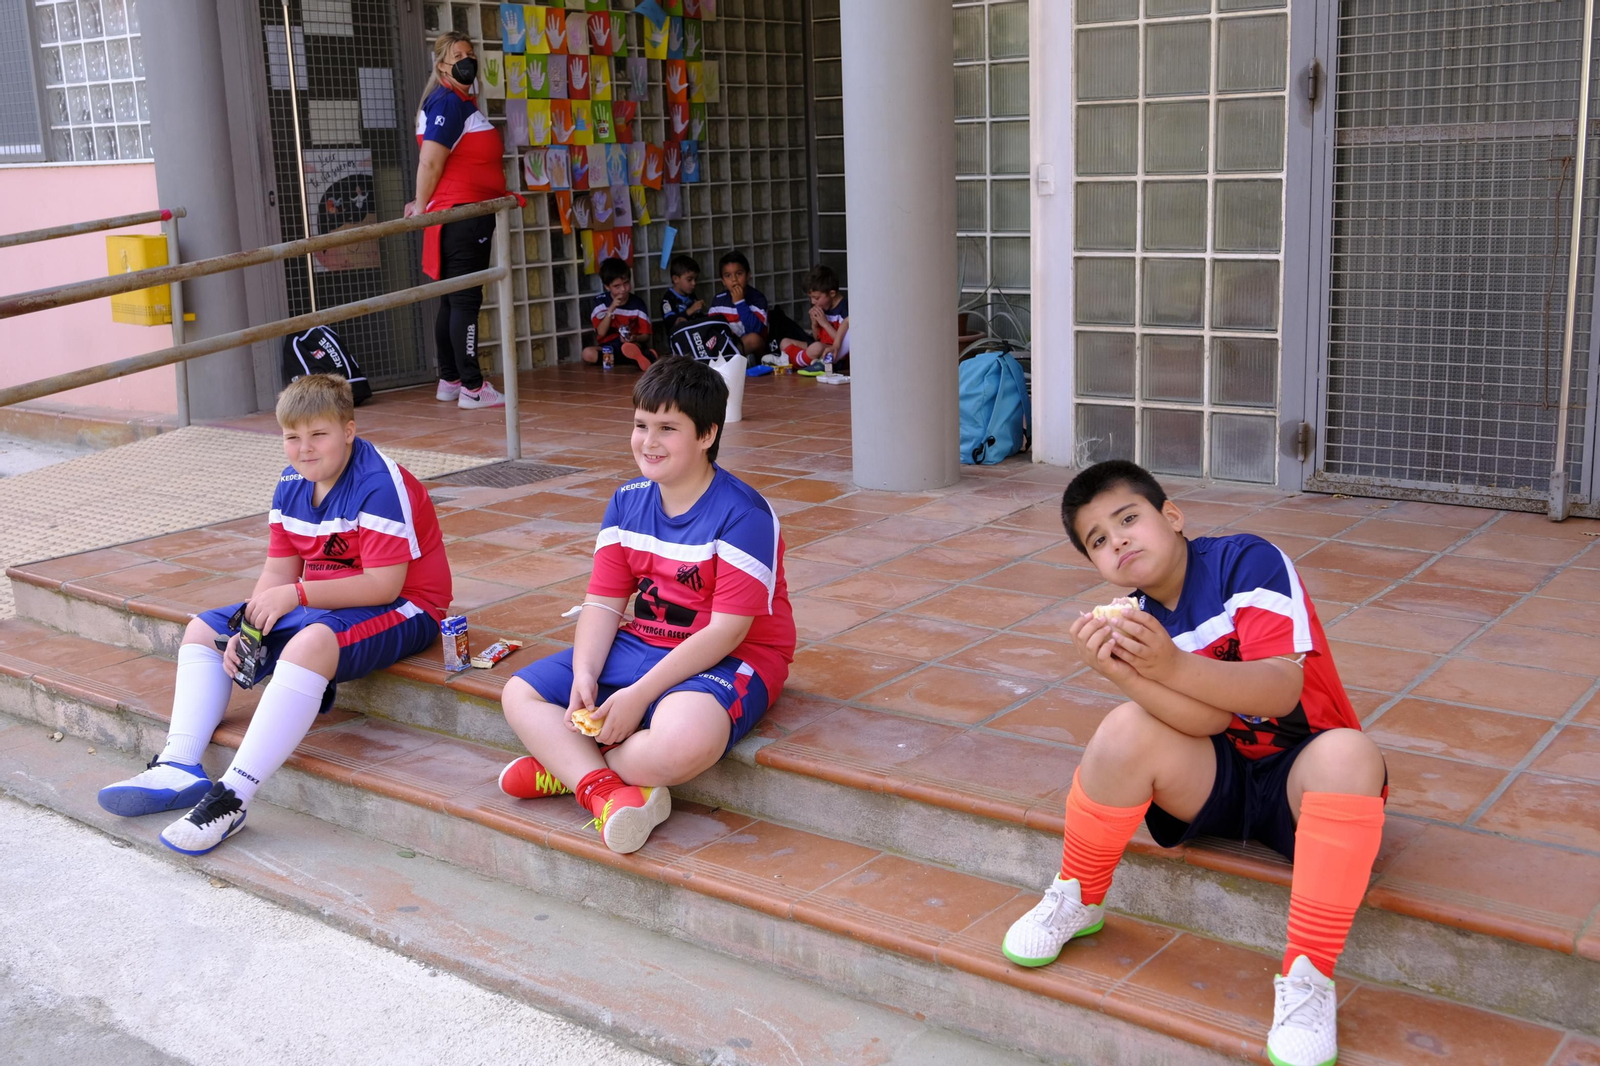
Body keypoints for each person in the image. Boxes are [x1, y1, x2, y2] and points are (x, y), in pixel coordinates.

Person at [1001, 460, 1386, 1066]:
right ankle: (1078, 895)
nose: (1118, 539)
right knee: (1126, 728)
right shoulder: (1134, 617)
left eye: (1128, 518)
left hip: (1303, 782)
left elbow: (1280, 689)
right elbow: (1202, 721)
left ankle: (1308, 978)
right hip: (1221, 780)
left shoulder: (1246, 562)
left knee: (1352, 754)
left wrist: (1172, 667)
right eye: (1098, 540)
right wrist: (1122, 673)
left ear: (1172, 517)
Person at [96, 375, 452, 855]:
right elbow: (276, 571)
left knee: (310, 645)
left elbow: (383, 585)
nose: (304, 450)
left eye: (318, 435)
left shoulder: (379, 484)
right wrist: (249, 628)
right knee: (205, 630)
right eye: (292, 437)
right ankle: (179, 765)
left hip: (407, 606)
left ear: (349, 430)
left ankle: (234, 797)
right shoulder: (290, 482)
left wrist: (297, 596)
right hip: (323, 597)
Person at [497, 359, 795, 854]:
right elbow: (604, 602)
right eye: (640, 424)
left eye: (667, 428)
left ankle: (574, 771)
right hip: (644, 642)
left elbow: (726, 631)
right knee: (519, 693)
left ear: (707, 435)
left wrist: (636, 696)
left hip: (737, 655)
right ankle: (603, 790)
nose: (648, 441)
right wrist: (586, 673)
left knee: (683, 741)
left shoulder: (745, 514)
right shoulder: (627, 500)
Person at [407, 30, 514, 410]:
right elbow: (431, 161)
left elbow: (444, 163)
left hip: (459, 212)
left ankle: (450, 380)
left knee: (453, 303)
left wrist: (424, 201)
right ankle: (472, 386)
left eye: (471, 54)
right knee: (465, 300)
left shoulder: (454, 101)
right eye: (458, 56)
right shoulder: (448, 103)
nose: (468, 61)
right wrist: (421, 205)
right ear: (442, 66)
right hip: (462, 217)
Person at [775, 264, 850, 375]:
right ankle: (808, 362)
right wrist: (814, 325)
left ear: (832, 293)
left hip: (837, 354)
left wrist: (825, 324)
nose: (813, 302)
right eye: (811, 298)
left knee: (816, 347)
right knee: (785, 342)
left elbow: (846, 342)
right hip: (820, 346)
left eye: (816, 298)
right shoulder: (824, 306)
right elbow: (817, 338)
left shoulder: (844, 309)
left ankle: (794, 362)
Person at [582, 256, 654, 370]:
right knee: (587, 353)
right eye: (617, 286)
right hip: (609, 348)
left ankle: (636, 356)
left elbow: (646, 335)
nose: (623, 289)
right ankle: (640, 358)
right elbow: (601, 332)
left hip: (631, 344)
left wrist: (634, 337)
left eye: (626, 283)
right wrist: (611, 308)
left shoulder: (637, 303)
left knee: (633, 347)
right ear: (607, 286)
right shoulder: (600, 302)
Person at [706, 251, 769, 357]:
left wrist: (740, 303)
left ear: (748, 275)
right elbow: (711, 328)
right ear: (723, 281)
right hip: (725, 344)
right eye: (728, 276)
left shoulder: (757, 298)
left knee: (754, 339)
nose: (734, 279)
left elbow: (756, 330)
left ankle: (741, 361)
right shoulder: (718, 301)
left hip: (747, 345)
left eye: (739, 274)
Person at [659, 253, 706, 335]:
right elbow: (670, 321)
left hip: (696, 336)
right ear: (675, 279)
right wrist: (690, 310)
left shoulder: (691, 295)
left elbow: (698, 317)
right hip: (679, 340)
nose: (694, 283)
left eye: (695, 279)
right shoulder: (668, 299)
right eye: (689, 279)